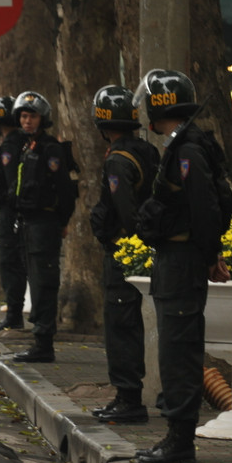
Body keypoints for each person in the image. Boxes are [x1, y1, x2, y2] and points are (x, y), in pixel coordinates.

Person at [133, 69, 231, 463]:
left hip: (182, 261)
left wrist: (210, 255)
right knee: (175, 349)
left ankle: (180, 440)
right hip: (176, 260)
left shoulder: (188, 150)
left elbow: (204, 208)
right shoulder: (183, 144)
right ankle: (176, 436)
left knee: (179, 352)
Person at [87, 85, 159, 424]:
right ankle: (128, 395)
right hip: (140, 251)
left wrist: (125, 244)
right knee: (129, 324)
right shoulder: (145, 150)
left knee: (120, 325)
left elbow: (126, 211)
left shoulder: (117, 159)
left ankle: (128, 398)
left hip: (123, 253)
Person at [6, 91, 77, 364]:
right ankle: (39, 339)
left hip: (44, 224)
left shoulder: (50, 149)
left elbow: (65, 191)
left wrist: (61, 222)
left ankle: (44, 343)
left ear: (42, 118)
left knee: (44, 284)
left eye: (32, 116)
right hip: (27, 224)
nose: (27, 121)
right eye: (23, 116)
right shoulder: (28, 147)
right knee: (34, 283)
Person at [0, 95, 28, 333]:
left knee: (10, 265)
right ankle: (14, 313)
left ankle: (13, 314)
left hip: (11, 215)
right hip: (17, 215)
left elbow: (11, 183)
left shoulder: (10, 145)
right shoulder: (20, 142)